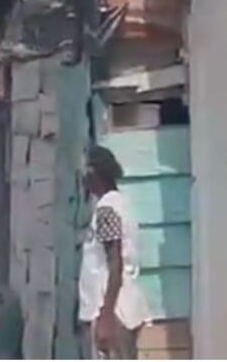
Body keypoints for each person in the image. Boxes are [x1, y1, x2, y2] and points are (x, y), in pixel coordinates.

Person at [79, 146, 149, 360]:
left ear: (93, 174)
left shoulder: (107, 210)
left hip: (113, 310)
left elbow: (115, 263)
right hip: (122, 307)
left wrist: (106, 316)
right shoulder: (121, 204)